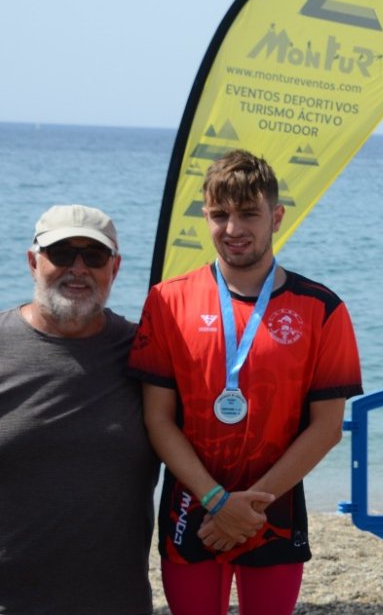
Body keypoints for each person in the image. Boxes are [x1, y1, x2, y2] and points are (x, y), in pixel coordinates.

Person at [129, 150, 362, 615]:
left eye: (248, 214)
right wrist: (217, 500)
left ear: (276, 217)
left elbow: (327, 428)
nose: (233, 229)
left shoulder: (322, 308)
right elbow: (157, 419)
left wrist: (248, 508)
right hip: (191, 509)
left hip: (273, 509)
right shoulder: (167, 301)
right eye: (219, 215)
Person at [0, 204, 159, 615]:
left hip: (117, 603)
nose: (78, 268)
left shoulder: (144, 353)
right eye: (61, 254)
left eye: (93, 256)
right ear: (33, 262)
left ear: (115, 268)